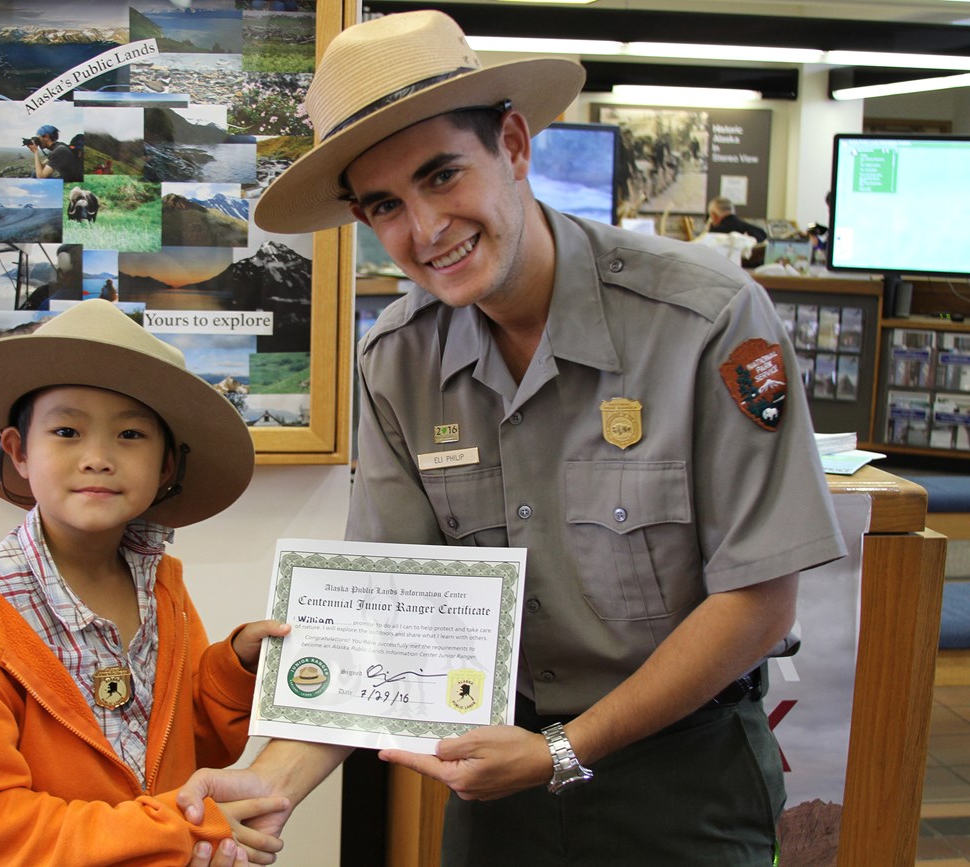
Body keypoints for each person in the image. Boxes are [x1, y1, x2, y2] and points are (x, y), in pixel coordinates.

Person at [178, 10, 846, 865]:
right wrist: (265, 786)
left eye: (442, 175)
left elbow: (757, 604)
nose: (424, 230)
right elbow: (384, 618)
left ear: (516, 147)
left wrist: (564, 750)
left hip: (687, 780)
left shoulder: (705, 319)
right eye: (385, 205)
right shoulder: (397, 362)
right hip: (500, 784)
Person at [0, 299, 291, 865]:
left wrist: (234, 667)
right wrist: (172, 833)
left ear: (165, 465)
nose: (97, 458)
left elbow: (182, 742)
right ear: (18, 452)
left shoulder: (158, 583)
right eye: (66, 430)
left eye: (131, 435)